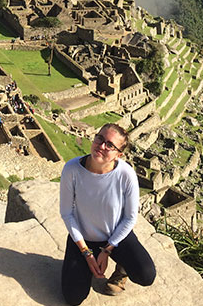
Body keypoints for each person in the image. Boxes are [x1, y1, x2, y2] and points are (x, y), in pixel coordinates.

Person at [60, 123, 156, 305]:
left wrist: (108, 248)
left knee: (146, 275)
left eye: (110, 145)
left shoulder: (126, 174)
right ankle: (85, 266)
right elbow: (66, 213)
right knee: (73, 297)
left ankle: (122, 269)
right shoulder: (72, 169)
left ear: (119, 154)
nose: (102, 146)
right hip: (84, 239)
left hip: (116, 236)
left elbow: (130, 218)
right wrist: (86, 253)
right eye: (100, 138)